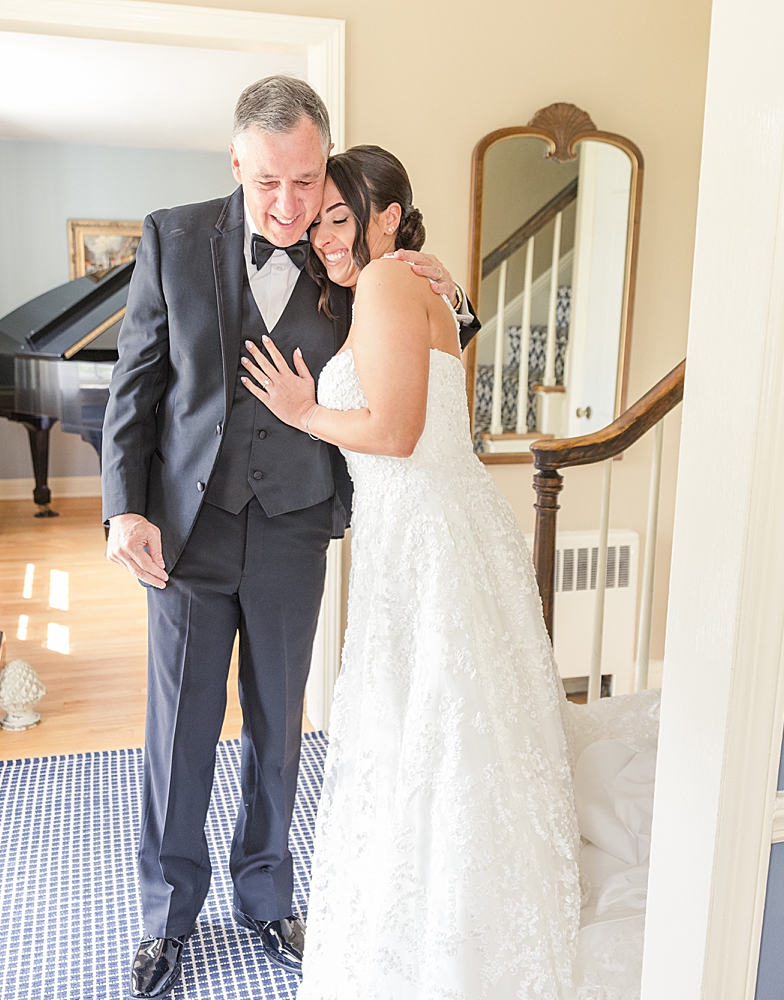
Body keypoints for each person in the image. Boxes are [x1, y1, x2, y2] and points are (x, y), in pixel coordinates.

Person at [100, 78, 477, 999]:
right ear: (237, 164)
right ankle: (166, 916)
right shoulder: (173, 238)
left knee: (281, 730)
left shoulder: (349, 253)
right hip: (184, 536)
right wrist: (123, 508)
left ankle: (267, 897)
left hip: (293, 529)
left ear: (325, 167)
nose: (288, 205)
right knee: (180, 737)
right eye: (269, 183)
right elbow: (136, 384)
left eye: (306, 182)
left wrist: (453, 292)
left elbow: (425, 349)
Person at [241, 145, 580, 999]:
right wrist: (460, 299)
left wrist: (304, 409)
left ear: (389, 216)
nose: (322, 237)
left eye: (339, 218)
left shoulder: (390, 283)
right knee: (447, 727)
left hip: (424, 535)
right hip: (435, 528)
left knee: (426, 728)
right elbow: (442, 374)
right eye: (317, 224)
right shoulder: (404, 286)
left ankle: (437, 926)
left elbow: (394, 432)